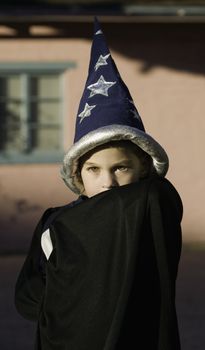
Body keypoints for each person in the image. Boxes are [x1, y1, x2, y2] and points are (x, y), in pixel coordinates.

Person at [15, 18, 182, 350]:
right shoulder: (55, 224)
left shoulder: (149, 207)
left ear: (145, 169)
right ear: (78, 175)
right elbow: (29, 298)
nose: (108, 182)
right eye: (93, 169)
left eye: (120, 167)